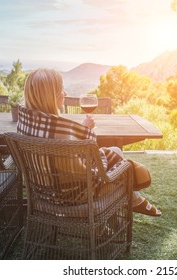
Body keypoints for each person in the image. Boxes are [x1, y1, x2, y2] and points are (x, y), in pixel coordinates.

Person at [18, 68, 161, 216]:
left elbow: (69, 161)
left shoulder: (25, 123)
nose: (65, 94)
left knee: (115, 151)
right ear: (50, 96)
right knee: (123, 165)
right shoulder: (60, 135)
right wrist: (87, 131)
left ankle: (134, 202)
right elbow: (85, 173)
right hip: (71, 197)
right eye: (61, 90)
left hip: (42, 193)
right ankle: (135, 202)